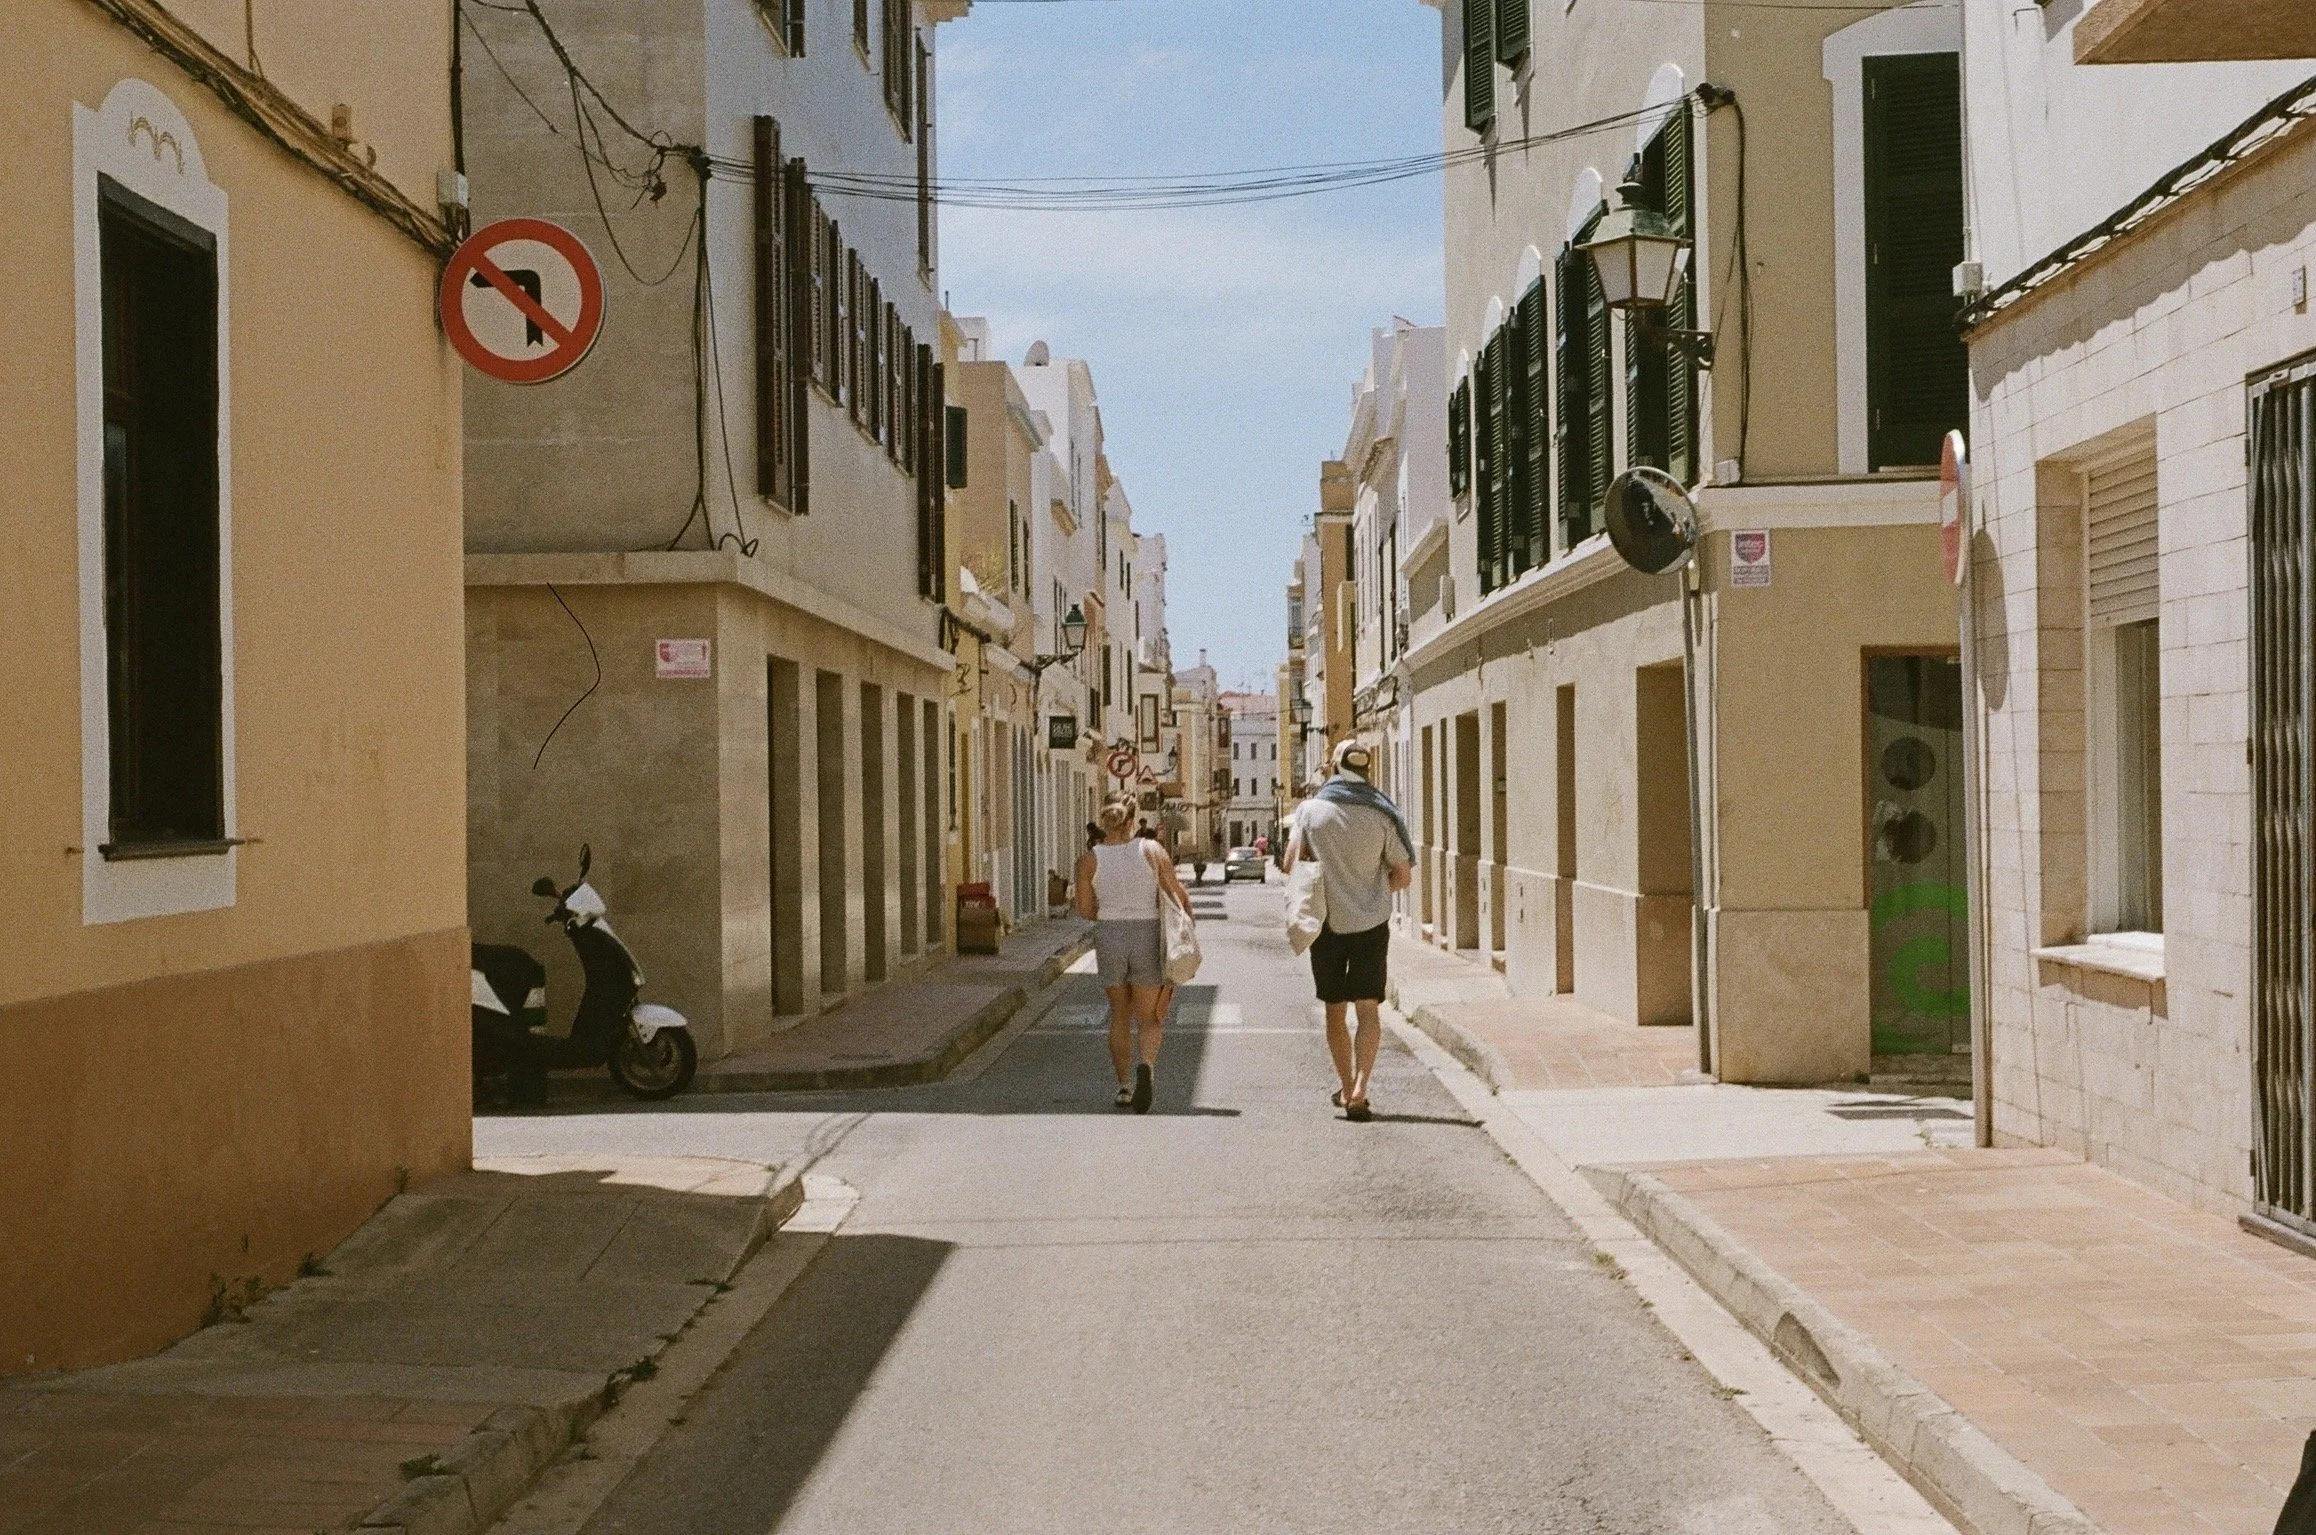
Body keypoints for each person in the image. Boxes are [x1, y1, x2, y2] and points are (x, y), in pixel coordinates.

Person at [1284, 740, 1414, 1122]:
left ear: (1335, 767)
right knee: (1369, 1010)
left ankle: (1344, 1086)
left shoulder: (1309, 812)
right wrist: (1371, 892)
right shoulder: (1383, 814)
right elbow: (1403, 876)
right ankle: (1361, 1088)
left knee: (1335, 1010)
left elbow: (1291, 863)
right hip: (1371, 925)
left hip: (1324, 924)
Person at [1076, 799, 1194, 1113]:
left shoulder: (1089, 860)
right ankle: (1147, 1067)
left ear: (1104, 822)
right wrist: (1189, 928)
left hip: (1110, 934)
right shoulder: (1153, 851)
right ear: (1133, 819)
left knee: (1119, 1015)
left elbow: (1084, 909)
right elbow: (1175, 894)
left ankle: (1125, 1087)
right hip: (1148, 932)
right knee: (1150, 1017)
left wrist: (1111, 912)